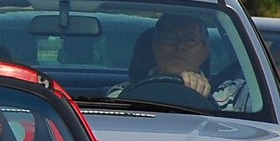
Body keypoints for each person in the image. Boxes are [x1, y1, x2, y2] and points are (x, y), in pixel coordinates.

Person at [107, 14, 251, 111]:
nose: (180, 46)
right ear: (155, 47)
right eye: (170, 38)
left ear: (204, 51)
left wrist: (203, 97)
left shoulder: (233, 94)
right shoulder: (123, 93)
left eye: (190, 40)